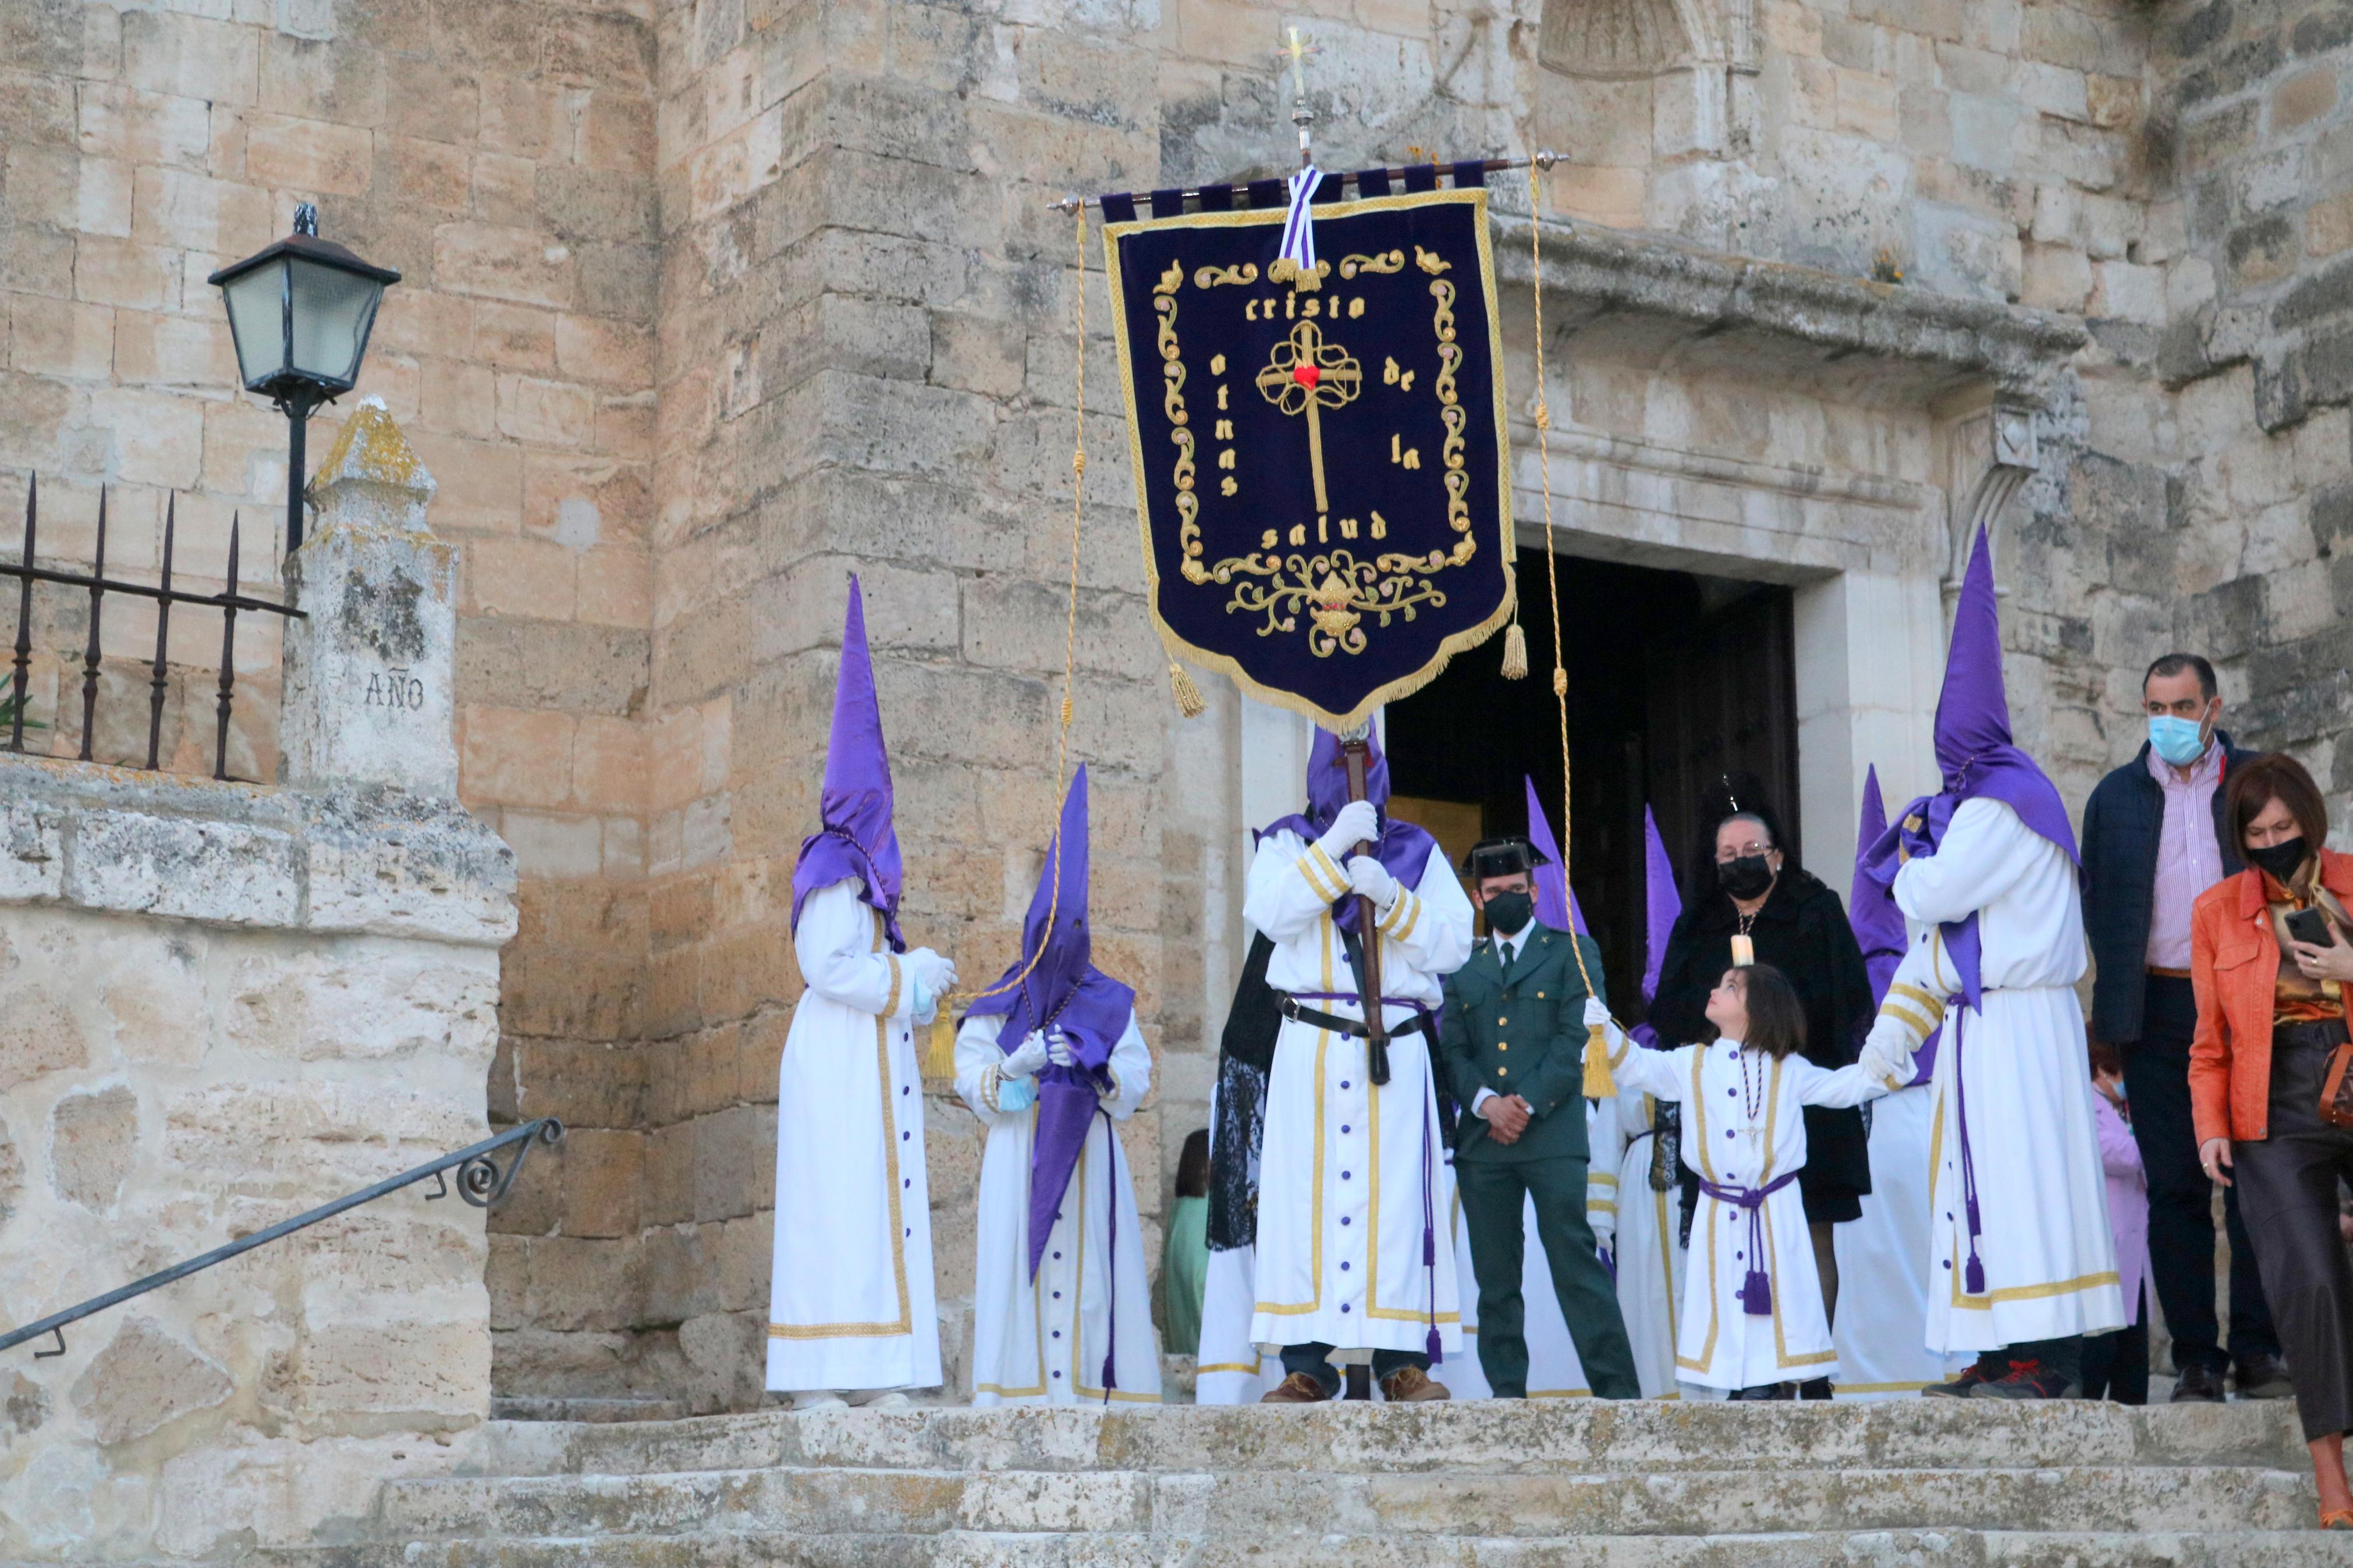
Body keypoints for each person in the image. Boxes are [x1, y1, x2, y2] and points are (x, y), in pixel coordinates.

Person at [1857, 527, 2124, 1399]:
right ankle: (1996, 1349)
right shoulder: (2000, 800)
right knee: (1975, 1186)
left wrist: (1908, 856)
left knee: (2022, 1183)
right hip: (1987, 1025)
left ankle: (2048, 1357)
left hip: (2018, 1023)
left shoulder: (1999, 803)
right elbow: (1943, 943)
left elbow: (1931, 896)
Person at [767, 577, 957, 1409]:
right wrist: (906, 977)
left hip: (870, 1053)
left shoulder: (865, 883)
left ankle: (879, 1367)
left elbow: (871, 968)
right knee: (835, 1204)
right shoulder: (832, 870)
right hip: (836, 1058)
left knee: (875, 1204)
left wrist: (919, 985)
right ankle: (818, 1371)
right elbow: (825, 966)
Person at [2079, 652, 2286, 1402]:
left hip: (2250, 1002)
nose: (2166, 721)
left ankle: (2258, 1350)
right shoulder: (2114, 797)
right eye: (2154, 708)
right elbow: (2098, 904)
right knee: (2173, 1186)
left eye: (2181, 706)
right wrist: (2113, 1013)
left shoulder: (2255, 781)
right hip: (2158, 1008)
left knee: (2257, 1179)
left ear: (2212, 708)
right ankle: (2196, 1356)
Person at [1245, 728, 1473, 1403]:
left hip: (1393, 1044)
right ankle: (1306, 1364)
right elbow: (1270, 913)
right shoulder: (1285, 843)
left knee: (1396, 1203)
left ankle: (1401, 1362)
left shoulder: (1417, 851)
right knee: (1304, 1204)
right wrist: (1332, 850)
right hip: (1310, 1046)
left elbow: (1454, 945)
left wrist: (1395, 901)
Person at [1649, 773, 1873, 1395]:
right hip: (1722, 1101)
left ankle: (1807, 1372)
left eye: (1751, 849)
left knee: (1809, 1234)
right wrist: (1726, 1033)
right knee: (1729, 1237)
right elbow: (1670, 1007)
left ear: (1776, 854)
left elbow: (1849, 995)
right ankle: (1749, 1374)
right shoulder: (1698, 922)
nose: (1739, 860)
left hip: (1801, 1092)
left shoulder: (1814, 907)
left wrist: (1777, 1029)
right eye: (1727, 853)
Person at [1600, 963, 1907, 1397]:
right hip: (1717, 1208)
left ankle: (1767, 1380)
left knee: (1779, 1294)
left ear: (1759, 1010)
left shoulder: (1788, 1069)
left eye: (1730, 987)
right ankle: (1735, 1381)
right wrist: (1604, 1031)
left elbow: (1845, 1087)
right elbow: (1637, 1066)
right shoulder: (1691, 1063)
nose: (1715, 989)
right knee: (1722, 1293)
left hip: (1774, 1207)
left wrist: (1884, 1052)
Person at [956, 766, 1160, 1406]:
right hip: (1019, 1147)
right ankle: (1017, 1392)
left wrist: (1094, 1067)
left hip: (1089, 1153)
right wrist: (1012, 1068)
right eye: (1047, 928)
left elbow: (1136, 1076)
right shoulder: (1000, 999)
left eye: (1069, 929)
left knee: (1092, 1272)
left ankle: (1087, 1392)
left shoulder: (1109, 1000)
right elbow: (968, 1077)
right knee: (1016, 1262)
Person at [2190, 751, 2353, 1528]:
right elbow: (2207, 1041)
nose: (2272, 843)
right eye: (2255, 834)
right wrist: (2208, 1128)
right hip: (2269, 1105)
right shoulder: (2215, 910)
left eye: (2283, 827)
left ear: (2307, 820)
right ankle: (2332, 1478)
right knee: (2306, 1279)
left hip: (2347, 1065)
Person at [1440, 834, 1641, 1401]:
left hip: (1551, 1134)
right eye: (1494, 890)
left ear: (1533, 891)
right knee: (1495, 1279)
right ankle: (1506, 1397)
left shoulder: (1571, 951)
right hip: (1483, 1142)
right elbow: (1451, 1048)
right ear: (1478, 898)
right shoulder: (1461, 964)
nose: (1505, 897)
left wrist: (1523, 1103)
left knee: (1575, 1265)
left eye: (1516, 888)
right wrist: (1487, 1103)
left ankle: (1618, 1394)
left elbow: (1578, 1034)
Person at [1832, 766, 1969, 1400]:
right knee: (1924, 1249)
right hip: (1922, 1120)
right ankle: (1939, 1364)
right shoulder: (1930, 955)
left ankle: (1873, 1378)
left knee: (1878, 1257)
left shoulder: (1860, 973)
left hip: (1880, 1124)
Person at [1581, 799, 1687, 1399]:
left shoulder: (1714, 1050)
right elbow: (1606, 1131)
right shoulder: (1630, 1050)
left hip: (1700, 1190)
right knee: (1646, 1297)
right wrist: (1601, 1216)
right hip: (1641, 1192)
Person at [2081, 1040, 2150, 1405]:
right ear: (2103, 1070)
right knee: (2099, 1350)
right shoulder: (2085, 1105)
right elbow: (2116, 1153)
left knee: (2133, 1355)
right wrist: (2154, 1142)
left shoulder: (2121, 1110)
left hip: (2132, 1250)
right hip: (2105, 1245)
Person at [1162, 1130, 1211, 1359]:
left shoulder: (1182, 1207)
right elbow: (1200, 1278)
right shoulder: (1202, 1208)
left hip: (1188, 1347)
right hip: (1208, 1351)